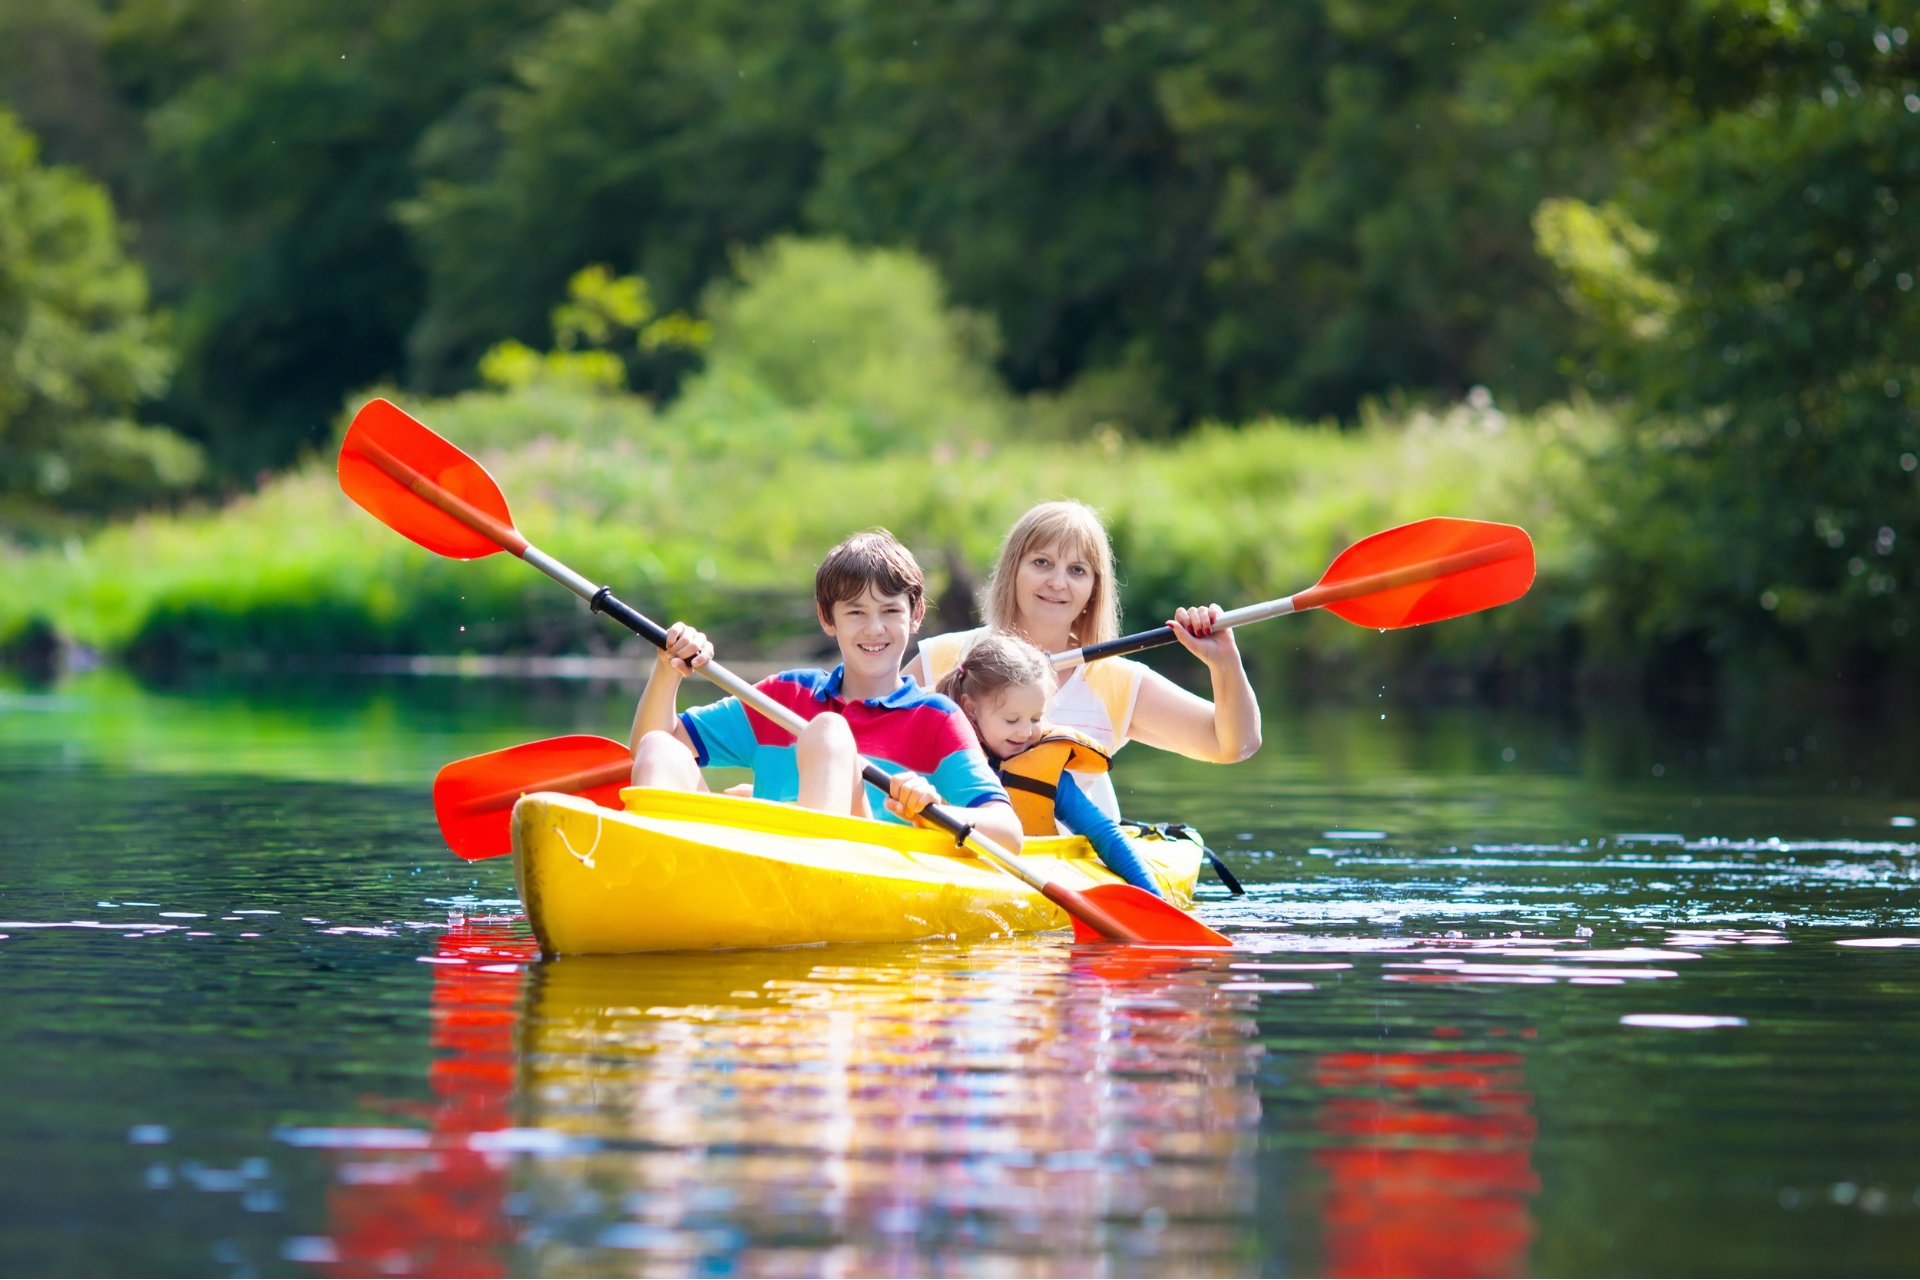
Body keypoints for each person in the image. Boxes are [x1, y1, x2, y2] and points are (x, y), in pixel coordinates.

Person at [628, 529, 1024, 850]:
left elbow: (1009, 832)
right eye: (856, 612)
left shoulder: (936, 718)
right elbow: (651, 749)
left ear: (916, 614)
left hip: (855, 874)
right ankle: (658, 878)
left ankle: (804, 869)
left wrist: (936, 809)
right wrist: (668, 669)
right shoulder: (785, 694)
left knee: (829, 731)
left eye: (890, 611)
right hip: (756, 868)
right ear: (827, 617)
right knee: (660, 747)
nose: (874, 629)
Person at [905, 500, 1261, 819]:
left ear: (1094, 589)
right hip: (955, 844)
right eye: (1042, 563)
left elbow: (1234, 744)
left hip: (1071, 863)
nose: (1058, 582)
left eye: (1077, 570)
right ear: (1013, 571)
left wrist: (1225, 664)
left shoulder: (1116, 681)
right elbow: (862, 724)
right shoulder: (945, 657)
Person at [935, 630, 1163, 896]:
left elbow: (1102, 832)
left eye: (1035, 719)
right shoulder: (941, 756)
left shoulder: (1048, 773)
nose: (1025, 732)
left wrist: (1153, 896)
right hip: (947, 870)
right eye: (1012, 720)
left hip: (1026, 880)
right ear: (971, 708)